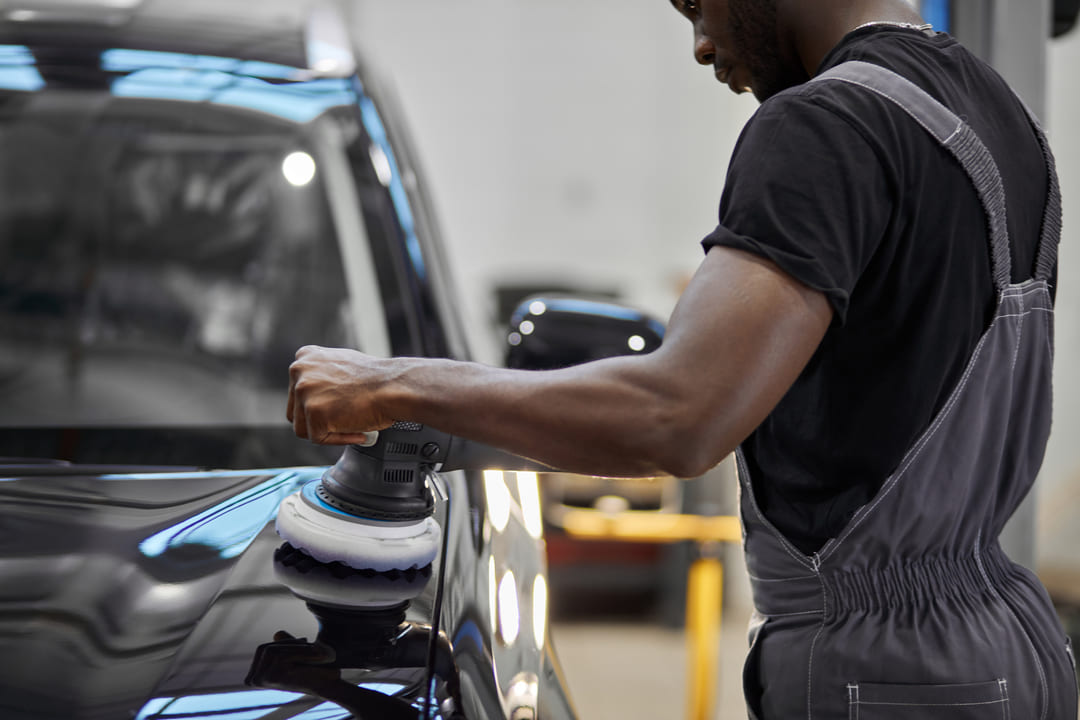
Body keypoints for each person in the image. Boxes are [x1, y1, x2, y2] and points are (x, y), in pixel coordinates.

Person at [288, 0, 1077, 717]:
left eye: (697, 3)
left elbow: (674, 416)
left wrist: (395, 384)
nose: (701, 46)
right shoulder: (999, 112)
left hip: (886, 674)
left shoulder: (826, 124)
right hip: (1013, 643)